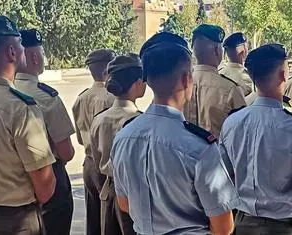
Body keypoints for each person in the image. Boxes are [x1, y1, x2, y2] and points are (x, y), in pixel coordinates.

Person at [111, 32, 240, 235]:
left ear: (147, 80)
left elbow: (124, 203)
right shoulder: (199, 147)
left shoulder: (123, 137)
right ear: (186, 79)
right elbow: (224, 226)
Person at [0, 16, 56, 235]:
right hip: (15, 221)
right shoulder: (20, 108)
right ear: (11, 52)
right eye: (20, 44)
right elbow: (45, 186)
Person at [219, 44, 292, 234]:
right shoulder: (288, 126)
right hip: (283, 226)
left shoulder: (232, 123)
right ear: (283, 75)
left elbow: (222, 177)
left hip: (242, 223)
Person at [14, 29, 75, 235]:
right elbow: (66, 152)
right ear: (33, 57)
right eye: (42, 53)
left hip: (12, 185)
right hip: (49, 179)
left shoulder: (2, 92)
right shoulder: (46, 97)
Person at [90, 54, 145, 235]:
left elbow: (97, 165)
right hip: (134, 196)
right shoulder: (139, 121)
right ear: (137, 83)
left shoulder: (99, 119)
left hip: (109, 192)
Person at [72, 49, 116, 235]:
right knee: (109, 221)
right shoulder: (113, 98)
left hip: (89, 163)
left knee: (92, 218)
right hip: (106, 165)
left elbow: (80, 137)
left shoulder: (81, 98)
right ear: (110, 68)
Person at [184, 24, 246, 137]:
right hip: (217, 154)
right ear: (218, 51)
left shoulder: (178, 86)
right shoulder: (230, 90)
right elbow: (242, 135)